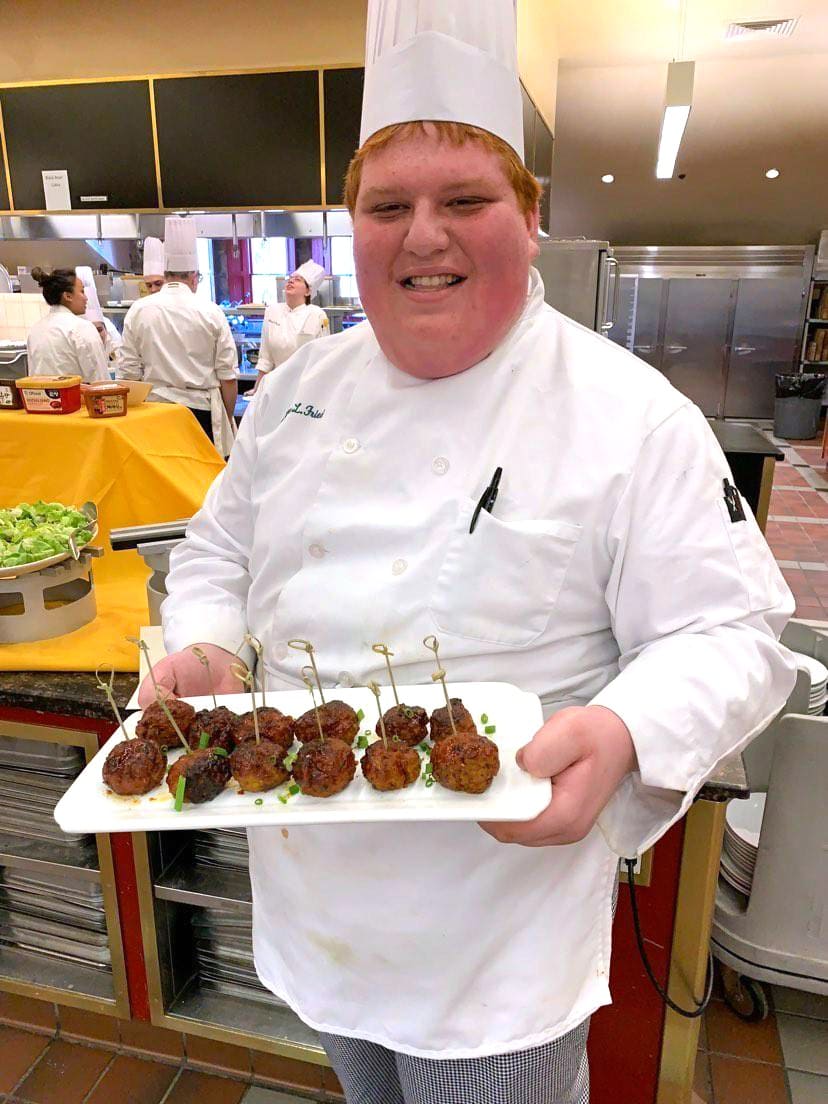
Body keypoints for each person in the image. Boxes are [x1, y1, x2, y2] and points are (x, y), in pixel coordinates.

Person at [139, 4, 796, 1102]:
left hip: (497, 929)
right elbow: (216, 551)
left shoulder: (630, 414)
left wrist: (626, 728)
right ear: (353, 225)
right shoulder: (299, 390)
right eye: (387, 206)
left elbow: (733, 631)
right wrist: (205, 645)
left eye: (465, 201)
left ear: (530, 216)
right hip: (320, 901)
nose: (423, 235)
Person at [117, 217, 238, 456]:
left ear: (166, 273)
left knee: (165, 482)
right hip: (201, 413)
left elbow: (128, 375)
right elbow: (228, 377)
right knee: (202, 485)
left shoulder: (139, 310)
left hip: (155, 412)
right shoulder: (211, 312)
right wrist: (227, 416)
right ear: (194, 277)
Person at [26, 266, 109, 382]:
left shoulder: (36, 330)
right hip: (77, 399)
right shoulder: (81, 328)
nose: (86, 298)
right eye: (82, 292)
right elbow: (100, 381)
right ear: (67, 296)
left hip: (42, 398)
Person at [254, 260, 329, 388]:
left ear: (308, 291)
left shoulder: (317, 315)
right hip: (276, 384)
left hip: (304, 385)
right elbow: (265, 357)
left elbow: (323, 357)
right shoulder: (272, 311)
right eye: (290, 278)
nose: (291, 281)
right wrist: (257, 389)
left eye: (298, 279)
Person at [76, 265, 122, 368]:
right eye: (91, 330)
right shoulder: (76, 344)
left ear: (106, 329)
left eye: (99, 330)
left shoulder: (113, 340)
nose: (96, 335)